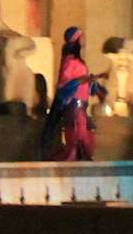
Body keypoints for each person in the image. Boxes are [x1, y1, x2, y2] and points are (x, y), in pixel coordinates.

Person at [41, 26, 104, 162]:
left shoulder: (79, 62)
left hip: (82, 105)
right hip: (74, 105)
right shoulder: (69, 61)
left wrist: (92, 82)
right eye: (82, 36)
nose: (84, 38)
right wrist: (86, 79)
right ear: (76, 40)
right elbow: (64, 84)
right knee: (77, 138)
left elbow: (83, 82)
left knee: (86, 135)